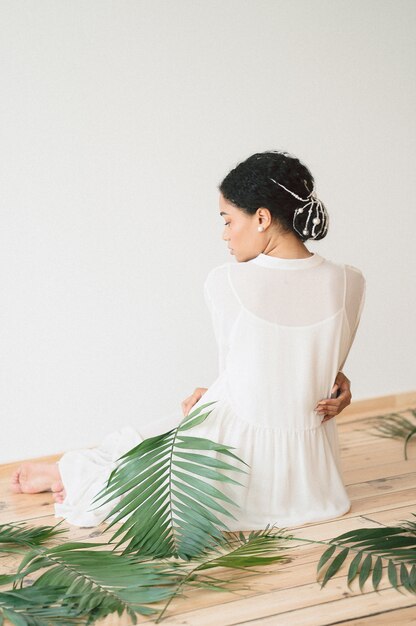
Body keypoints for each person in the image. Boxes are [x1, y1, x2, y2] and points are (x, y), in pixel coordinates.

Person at [10, 150, 365, 530]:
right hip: (315, 485)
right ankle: (72, 470)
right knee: (169, 427)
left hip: (238, 464)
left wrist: (216, 394)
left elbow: (246, 371)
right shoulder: (351, 281)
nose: (225, 234)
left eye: (228, 220)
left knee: (149, 443)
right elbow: (311, 371)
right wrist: (339, 384)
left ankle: (71, 472)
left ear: (262, 218)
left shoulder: (226, 281)